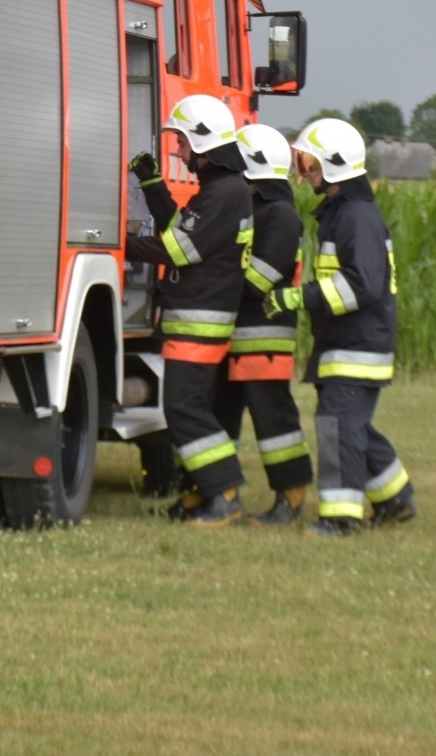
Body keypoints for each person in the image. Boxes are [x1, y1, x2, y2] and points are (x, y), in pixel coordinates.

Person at [264, 118, 416, 535]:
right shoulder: (344, 212)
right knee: (353, 425)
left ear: (331, 166)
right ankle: (396, 499)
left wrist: (299, 297)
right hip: (347, 343)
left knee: (337, 426)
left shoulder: (355, 217)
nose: (302, 170)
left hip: (357, 345)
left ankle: (340, 520)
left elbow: (364, 284)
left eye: (308, 162)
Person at [126, 94, 253, 527]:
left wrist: (111, 243)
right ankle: (207, 491)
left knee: (185, 408)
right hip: (198, 322)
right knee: (186, 406)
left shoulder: (223, 194)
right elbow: (178, 230)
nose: (177, 149)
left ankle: (224, 493)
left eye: (180, 141)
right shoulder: (221, 191)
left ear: (201, 143)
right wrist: (151, 184)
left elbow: (175, 250)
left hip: (200, 323)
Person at [219, 123, 313, 525]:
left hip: (265, 338)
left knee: (273, 420)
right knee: (220, 414)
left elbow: (259, 279)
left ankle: (290, 497)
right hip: (234, 335)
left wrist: (212, 279)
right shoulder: (256, 210)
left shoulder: (281, 216)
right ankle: (219, 494)